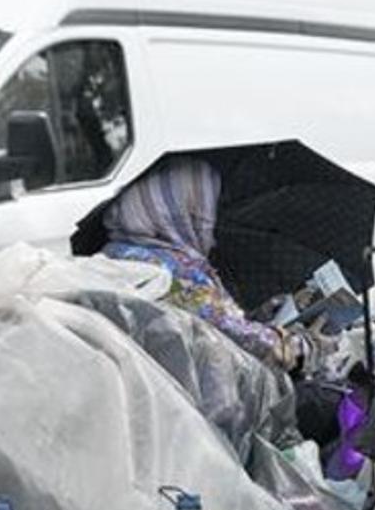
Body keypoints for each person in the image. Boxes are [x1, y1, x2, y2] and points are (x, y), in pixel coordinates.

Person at [102, 156, 323, 373]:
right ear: (180, 214)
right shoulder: (177, 271)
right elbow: (242, 339)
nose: (210, 231)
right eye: (203, 217)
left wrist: (269, 310)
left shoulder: (119, 253)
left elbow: (210, 324)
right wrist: (305, 346)